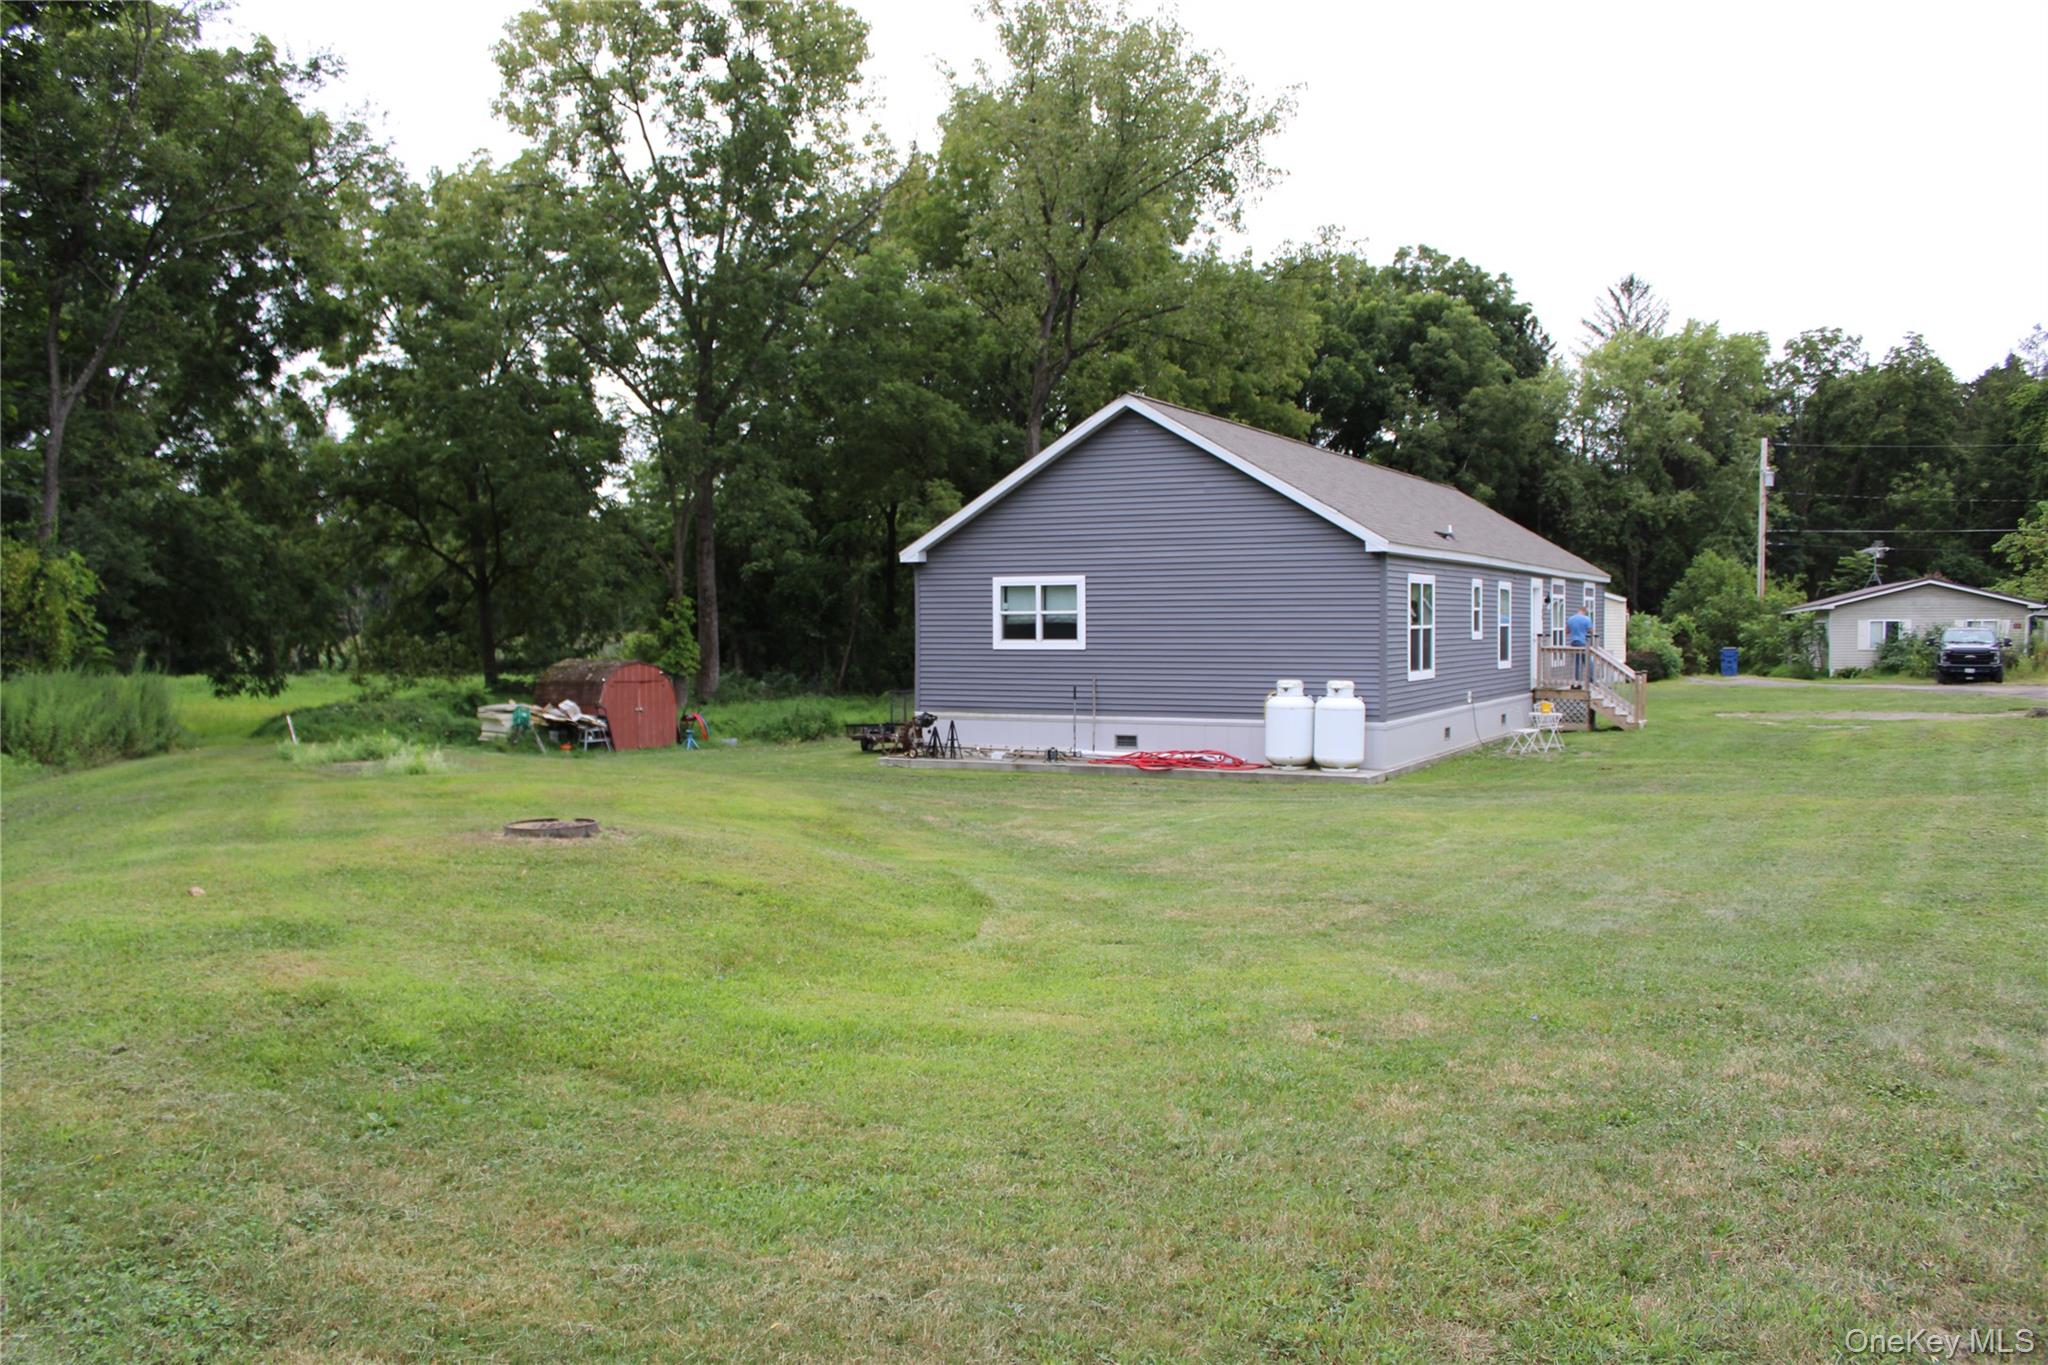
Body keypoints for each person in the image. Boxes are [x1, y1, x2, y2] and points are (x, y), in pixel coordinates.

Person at [1567, 601, 1593, 680]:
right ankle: (1591, 679)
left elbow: (1567, 631)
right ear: (1584, 611)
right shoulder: (1587, 619)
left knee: (1577, 663)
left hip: (1574, 642)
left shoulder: (1570, 619)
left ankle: (1577, 680)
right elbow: (1591, 631)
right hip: (1583, 643)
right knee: (1588, 661)